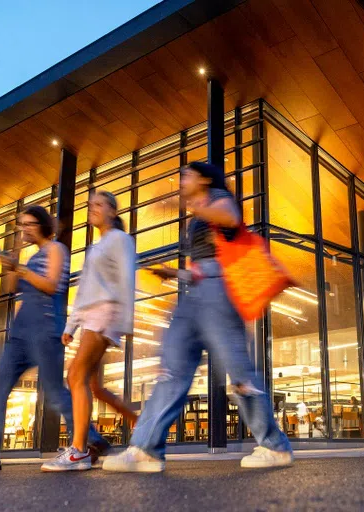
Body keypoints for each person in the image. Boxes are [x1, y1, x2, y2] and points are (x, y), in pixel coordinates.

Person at [103, 161, 293, 473]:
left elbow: (231, 219)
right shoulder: (200, 211)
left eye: (186, 176)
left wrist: (197, 207)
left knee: (239, 373)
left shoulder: (217, 197)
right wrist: (173, 272)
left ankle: (273, 445)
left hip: (220, 293)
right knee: (171, 370)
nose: (180, 182)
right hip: (196, 293)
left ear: (203, 179)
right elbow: (202, 264)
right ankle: (145, 449)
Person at [0, 205, 107, 473]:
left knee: (56, 393)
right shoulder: (30, 256)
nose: (24, 229)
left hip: (46, 329)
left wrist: (20, 268)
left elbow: (50, 285)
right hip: (20, 333)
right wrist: (11, 264)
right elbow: (12, 289)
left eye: (29, 224)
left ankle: (92, 440)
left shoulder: (56, 249)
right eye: (21, 225)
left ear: (42, 225)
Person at [41, 192, 137, 471]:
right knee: (92, 385)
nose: (91, 208)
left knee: (75, 375)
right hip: (92, 314)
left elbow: (127, 278)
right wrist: (72, 324)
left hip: (105, 313)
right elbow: (84, 290)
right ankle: (141, 425)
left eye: (98, 204)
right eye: (89, 204)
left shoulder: (120, 240)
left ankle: (79, 451)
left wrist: (125, 322)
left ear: (112, 211)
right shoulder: (96, 247)